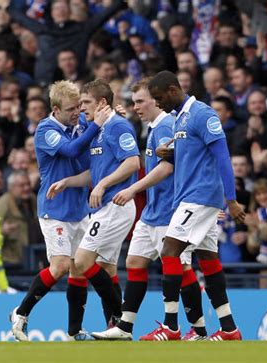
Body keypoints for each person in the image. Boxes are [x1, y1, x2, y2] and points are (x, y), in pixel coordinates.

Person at [90, 78, 207, 341]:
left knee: (182, 269)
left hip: (168, 212)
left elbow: (167, 167)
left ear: (156, 100)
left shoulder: (166, 126)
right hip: (152, 213)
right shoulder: (154, 128)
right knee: (134, 262)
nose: (136, 107)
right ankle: (125, 327)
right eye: (133, 102)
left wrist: (133, 189)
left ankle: (196, 329)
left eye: (141, 101)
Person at [141, 71, 246, 341]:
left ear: (174, 90)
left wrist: (231, 199)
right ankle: (229, 329)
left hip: (200, 196)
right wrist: (171, 152)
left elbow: (222, 155)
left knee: (170, 250)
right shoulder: (179, 119)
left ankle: (170, 327)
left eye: (159, 97)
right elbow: (194, 153)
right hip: (191, 196)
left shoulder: (203, 114)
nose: (158, 103)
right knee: (208, 260)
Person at [9, 80, 110, 341]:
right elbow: (71, 149)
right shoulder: (46, 130)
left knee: (80, 268)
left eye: (79, 107)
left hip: (80, 208)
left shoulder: (82, 125)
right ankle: (21, 311)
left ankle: (75, 331)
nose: (77, 112)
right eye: (70, 109)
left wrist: (108, 120)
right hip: (54, 209)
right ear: (55, 109)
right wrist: (97, 124)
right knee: (61, 265)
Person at [47, 79, 140, 332]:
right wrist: (68, 181)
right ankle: (116, 326)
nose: (81, 108)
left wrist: (102, 186)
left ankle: (122, 319)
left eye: (85, 103)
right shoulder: (98, 130)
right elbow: (94, 174)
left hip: (115, 204)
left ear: (101, 103)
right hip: (104, 207)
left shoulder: (119, 126)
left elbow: (133, 162)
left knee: (82, 260)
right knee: (108, 268)